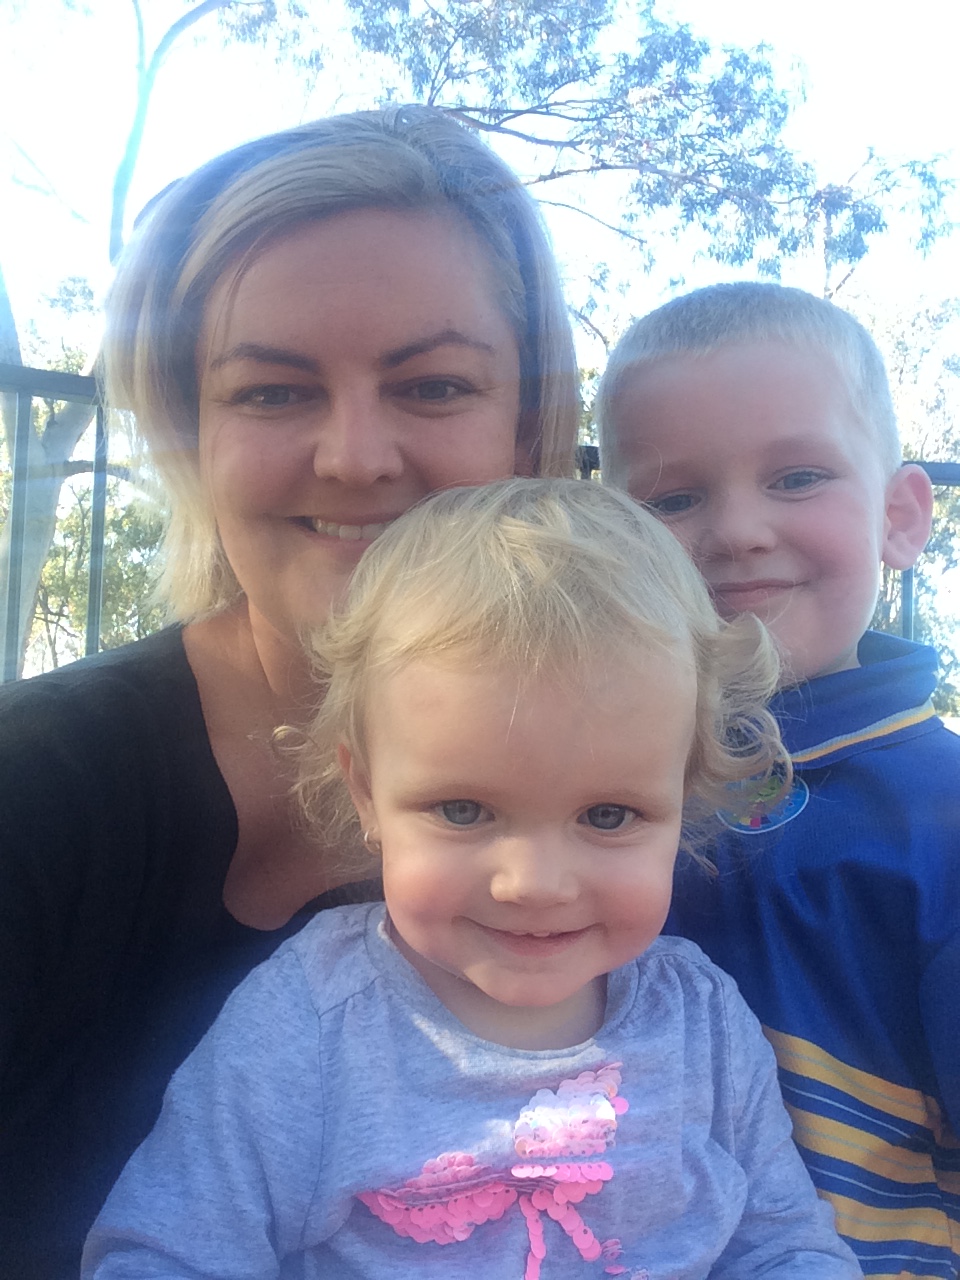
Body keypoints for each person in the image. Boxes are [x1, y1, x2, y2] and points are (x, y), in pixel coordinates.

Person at [0, 106, 581, 1278]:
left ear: (527, 431)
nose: (354, 456)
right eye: (271, 392)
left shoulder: (619, 795)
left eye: (433, 385)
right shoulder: (36, 794)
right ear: (191, 434)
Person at [82, 477, 860, 1279]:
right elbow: (166, 1254)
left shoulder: (701, 1022)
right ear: (366, 792)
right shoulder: (312, 1023)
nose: (534, 883)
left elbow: (785, 1246)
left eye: (607, 815)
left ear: (681, 796)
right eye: (463, 811)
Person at [595, 281, 960, 1279]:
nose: (738, 531)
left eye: (798, 477)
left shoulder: (941, 816)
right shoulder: (560, 793)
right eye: (672, 499)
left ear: (900, 516)